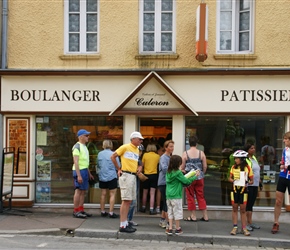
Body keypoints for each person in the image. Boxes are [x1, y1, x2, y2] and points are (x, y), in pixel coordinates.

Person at [111, 131, 144, 233]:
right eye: (139, 139)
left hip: (133, 175)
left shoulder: (136, 150)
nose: (141, 141)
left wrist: (138, 168)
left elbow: (137, 162)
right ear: (133, 139)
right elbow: (113, 156)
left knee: (128, 200)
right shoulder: (125, 147)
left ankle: (125, 223)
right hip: (127, 175)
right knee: (126, 200)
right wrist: (119, 168)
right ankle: (123, 224)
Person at [166, 155, 200, 235]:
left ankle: (170, 228)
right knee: (177, 212)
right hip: (176, 195)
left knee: (170, 212)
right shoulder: (178, 172)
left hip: (168, 195)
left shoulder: (168, 172)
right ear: (178, 163)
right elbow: (186, 182)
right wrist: (194, 176)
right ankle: (178, 228)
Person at [181, 135, 208, 222]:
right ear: (197, 143)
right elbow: (205, 166)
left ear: (189, 143)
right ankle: (205, 215)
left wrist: (184, 171)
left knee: (190, 196)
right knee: (200, 196)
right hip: (199, 177)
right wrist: (202, 173)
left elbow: (182, 166)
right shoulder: (201, 153)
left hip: (189, 178)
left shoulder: (185, 153)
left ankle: (193, 215)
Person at [228, 150, 254, 236]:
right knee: (234, 208)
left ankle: (244, 228)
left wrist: (247, 182)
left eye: (237, 158)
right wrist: (233, 180)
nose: (235, 160)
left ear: (242, 159)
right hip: (235, 189)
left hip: (244, 190)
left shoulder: (247, 168)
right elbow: (229, 178)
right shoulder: (233, 167)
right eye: (235, 158)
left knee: (243, 209)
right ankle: (235, 227)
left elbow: (252, 181)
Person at [72, 129, 94, 218]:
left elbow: (85, 161)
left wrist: (89, 173)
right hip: (79, 171)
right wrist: (79, 175)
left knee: (83, 191)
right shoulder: (77, 147)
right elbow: (76, 162)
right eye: (86, 136)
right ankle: (76, 210)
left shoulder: (84, 146)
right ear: (81, 137)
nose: (88, 137)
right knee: (78, 191)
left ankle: (81, 209)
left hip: (84, 170)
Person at [271, 131, 290, 234]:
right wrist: (281, 165)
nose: (284, 141)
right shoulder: (284, 150)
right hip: (283, 176)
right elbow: (283, 162)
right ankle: (276, 222)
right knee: (278, 201)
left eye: (286, 139)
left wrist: (288, 167)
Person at [97, 140, 120, 218]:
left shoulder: (99, 154)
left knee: (103, 194)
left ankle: (102, 211)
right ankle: (111, 212)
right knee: (112, 194)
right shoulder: (113, 154)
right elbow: (118, 165)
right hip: (111, 176)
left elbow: (98, 165)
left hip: (102, 176)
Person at [157, 140, 174, 230]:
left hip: (166, 182)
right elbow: (164, 169)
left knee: (165, 203)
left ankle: (163, 220)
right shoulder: (164, 157)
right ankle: (168, 222)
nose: (172, 148)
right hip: (164, 182)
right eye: (170, 146)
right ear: (166, 148)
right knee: (167, 203)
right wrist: (174, 171)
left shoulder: (169, 157)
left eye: (172, 146)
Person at [244, 143, 261, 231]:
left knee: (251, 204)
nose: (253, 150)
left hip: (255, 184)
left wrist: (260, 181)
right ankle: (246, 223)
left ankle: (250, 222)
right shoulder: (246, 159)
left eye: (254, 148)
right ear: (247, 150)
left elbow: (257, 170)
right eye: (251, 148)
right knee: (248, 203)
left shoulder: (254, 158)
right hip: (250, 185)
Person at [139, 143, 160, 215]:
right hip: (154, 175)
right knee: (152, 193)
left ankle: (143, 207)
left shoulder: (145, 155)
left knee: (145, 192)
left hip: (146, 175)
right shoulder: (157, 156)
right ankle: (151, 209)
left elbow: (142, 165)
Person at [127, 144, 144, 227]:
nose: (140, 153)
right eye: (140, 151)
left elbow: (140, 166)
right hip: (131, 179)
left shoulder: (138, 159)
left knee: (133, 200)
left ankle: (129, 219)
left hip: (135, 179)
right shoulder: (132, 158)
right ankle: (127, 219)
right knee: (131, 200)